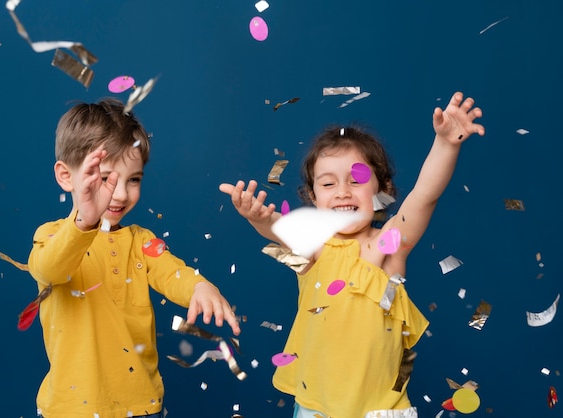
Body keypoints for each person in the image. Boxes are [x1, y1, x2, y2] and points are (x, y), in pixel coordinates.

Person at [219, 92, 484, 418]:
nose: (343, 191)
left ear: (382, 189)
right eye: (328, 184)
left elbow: (424, 196)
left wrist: (446, 144)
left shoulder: (387, 247)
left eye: (356, 179)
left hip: (379, 411)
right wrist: (259, 218)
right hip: (315, 408)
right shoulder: (314, 250)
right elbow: (284, 232)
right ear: (314, 198)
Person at [28, 98, 241, 418]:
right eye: (105, 179)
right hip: (70, 408)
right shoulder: (50, 237)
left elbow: (172, 272)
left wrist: (199, 287)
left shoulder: (141, 241)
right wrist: (84, 222)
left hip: (141, 405)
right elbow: (51, 268)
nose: (121, 194)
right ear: (66, 176)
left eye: (133, 179)